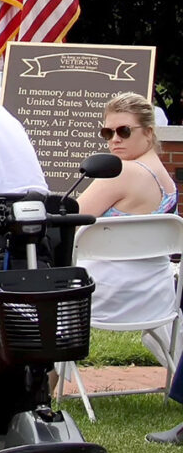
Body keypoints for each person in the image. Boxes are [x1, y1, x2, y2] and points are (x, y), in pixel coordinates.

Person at [77, 93, 179, 363]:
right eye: (107, 132)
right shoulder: (166, 182)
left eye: (123, 131)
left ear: (148, 132)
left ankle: (40, 383)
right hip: (156, 296)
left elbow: (69, 220)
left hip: (101, 295)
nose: (114, 140)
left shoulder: (119, 172)